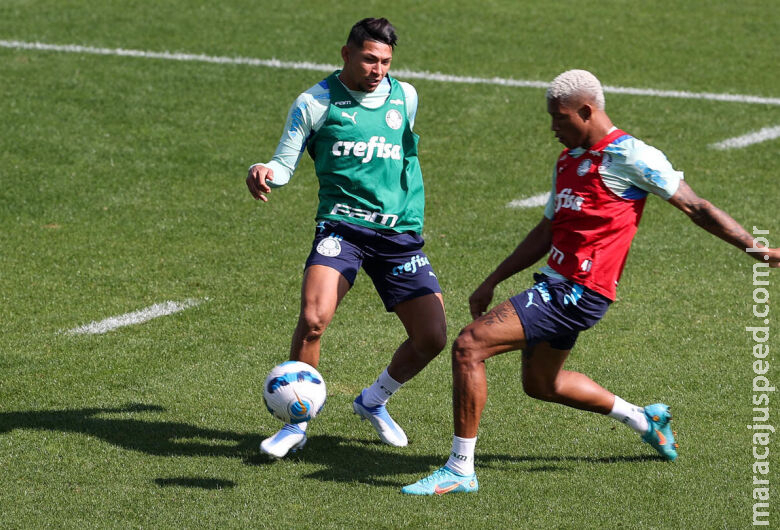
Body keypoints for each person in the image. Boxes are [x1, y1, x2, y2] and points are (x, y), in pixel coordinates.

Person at [402, 69, 780, 495]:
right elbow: (546, 232)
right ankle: (644, 419)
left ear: (587, 110)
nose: (553, 128)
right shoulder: (567, 161)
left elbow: (696, 206)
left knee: (469, 346)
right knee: (543, 385)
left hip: (578, 291)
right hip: (558, 284)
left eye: (560, 118)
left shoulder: (632, 156)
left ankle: (459, 469)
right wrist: (492, 279)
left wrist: (757, 249)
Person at [246, 18, 447, 459]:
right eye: (370, 59)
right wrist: (263, 172)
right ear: (346, 54)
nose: (378, 70)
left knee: (432, 338)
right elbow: (284, 162)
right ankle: (297, 424)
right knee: (314, 319)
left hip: (398, 233)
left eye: (386, 62)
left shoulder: (405, 96)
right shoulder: (314, 103)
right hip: (342, 227)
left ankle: (373, 400)